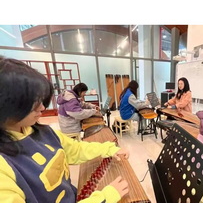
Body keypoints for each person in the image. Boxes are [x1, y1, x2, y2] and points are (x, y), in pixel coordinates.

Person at [0, 57, 130, 202]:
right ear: (7, 103)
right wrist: (104, 198)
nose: (42, 107)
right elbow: (77, 113)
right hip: (71, 126)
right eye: (33, 102)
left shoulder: (44, 132)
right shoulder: (3, 165)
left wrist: (108, 148)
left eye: (40, 100)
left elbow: (76, 149)